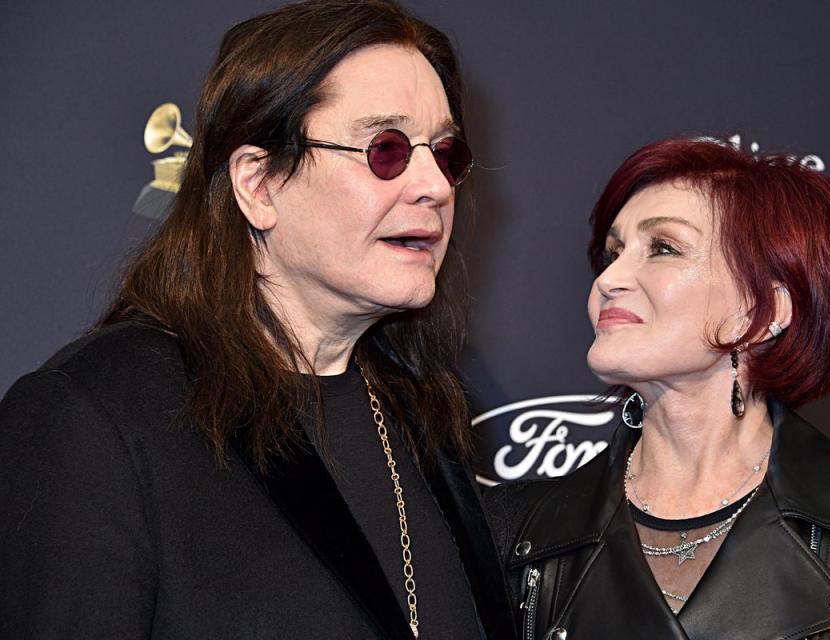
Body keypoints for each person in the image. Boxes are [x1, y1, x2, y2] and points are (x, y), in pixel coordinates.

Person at [0, 2, 516, 638]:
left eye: (445, 152)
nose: (434, 185)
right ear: (259, 184)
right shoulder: (97, 416)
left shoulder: (426, 416)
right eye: (386, 149)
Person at [484, 138, 830, 639]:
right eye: (612, 253)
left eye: (663, 248)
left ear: (763, 313)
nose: (610, 278)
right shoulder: (517, 530)